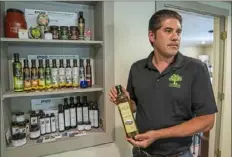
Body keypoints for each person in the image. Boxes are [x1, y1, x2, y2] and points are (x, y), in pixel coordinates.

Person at [109, 9, 217, 157]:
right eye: (168, 31)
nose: (175, 37)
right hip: (141, 153)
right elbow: (134, 107)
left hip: (178, 154)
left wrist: (158, 134)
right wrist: (126, 101)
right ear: (152, 36)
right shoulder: (137, 68)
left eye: (178, 32)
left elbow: (207, 121)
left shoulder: (196, 69)